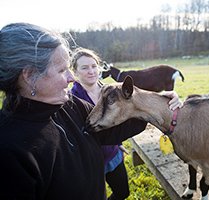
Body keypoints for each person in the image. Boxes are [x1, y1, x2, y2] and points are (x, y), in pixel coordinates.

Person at [0, 22, 182, 200]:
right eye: (62, 70)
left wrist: (156, 103)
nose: (71, 78)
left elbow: (111, 130)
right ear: (30, 76)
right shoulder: (9, 152)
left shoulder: (70, 105)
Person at [70, 47, 129, 200]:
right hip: (90, 163)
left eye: (94, 66)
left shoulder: (110, 91)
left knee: (123, 193)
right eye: (84, 68)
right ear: (75, 72)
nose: (91, 71)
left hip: (114, 154)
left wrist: (170, 95)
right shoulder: (71, 99)